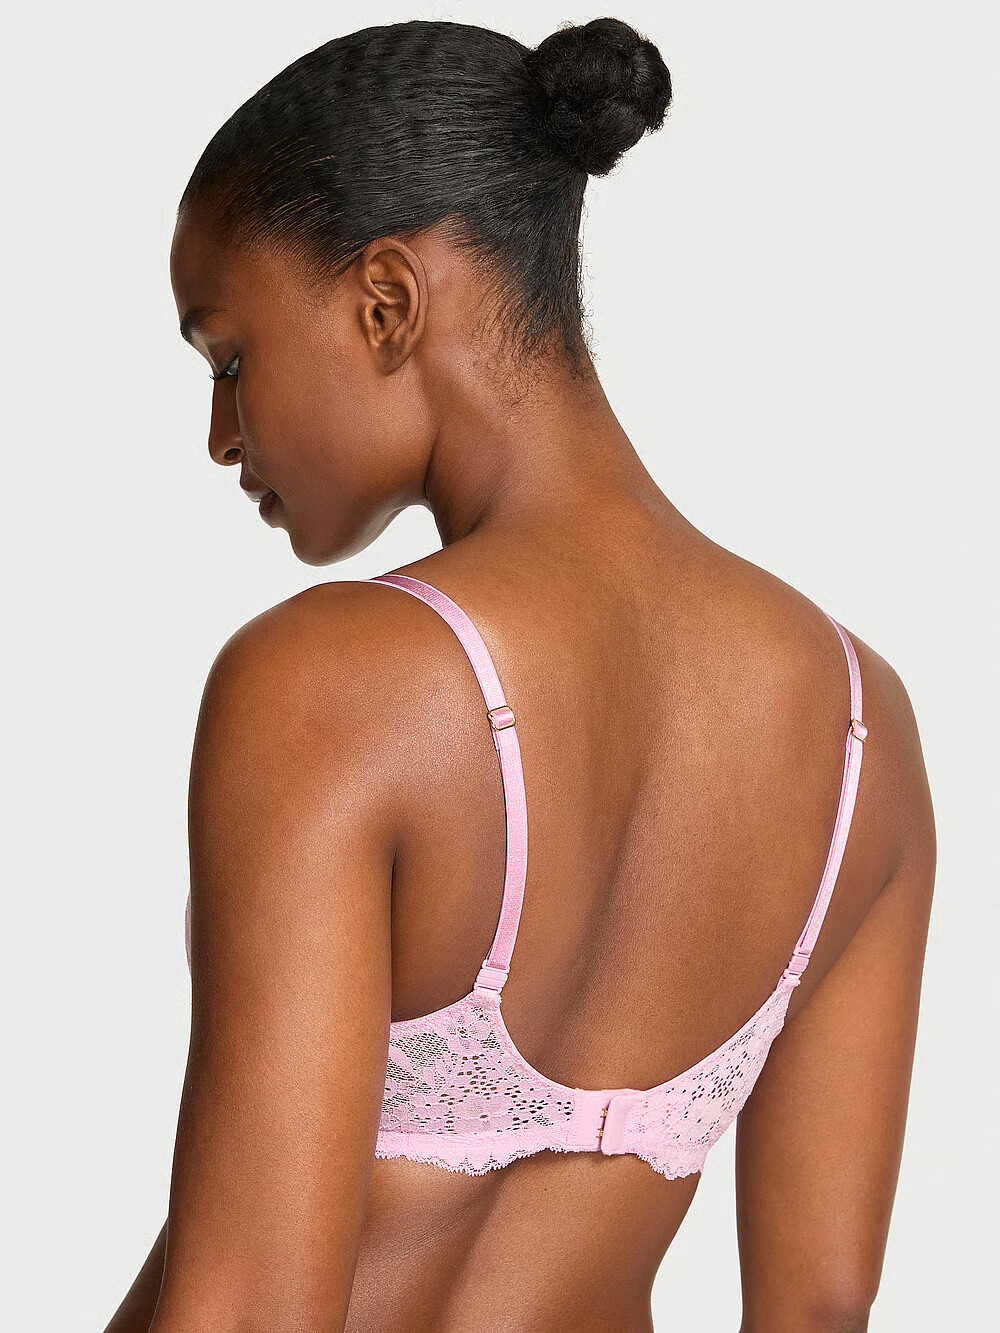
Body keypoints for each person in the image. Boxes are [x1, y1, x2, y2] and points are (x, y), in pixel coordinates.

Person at [104, 17, 935, 1333]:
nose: (221, 433)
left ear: (386, 303)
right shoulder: (860, 725)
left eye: (229, 356)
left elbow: (251, 1311)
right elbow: (821, 1305)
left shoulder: (331, 680)